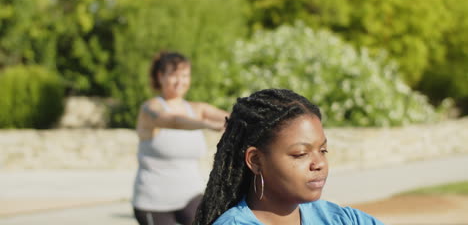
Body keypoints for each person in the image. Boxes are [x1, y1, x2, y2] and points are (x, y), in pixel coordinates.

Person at [194, 88, 384, 225]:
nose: (319, 164)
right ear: (256, 160)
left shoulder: (342, 219)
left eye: (323, 150)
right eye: (301, 154)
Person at [132, 51, 229, 225]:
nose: (180, 81)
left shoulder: (196, 108)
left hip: (190, 195)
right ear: (161, 77)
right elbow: (173, 121)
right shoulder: (149, 109)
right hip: (153, 202)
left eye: (185, 76)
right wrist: (206, 124)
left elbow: (233, 116)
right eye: (174, 75)